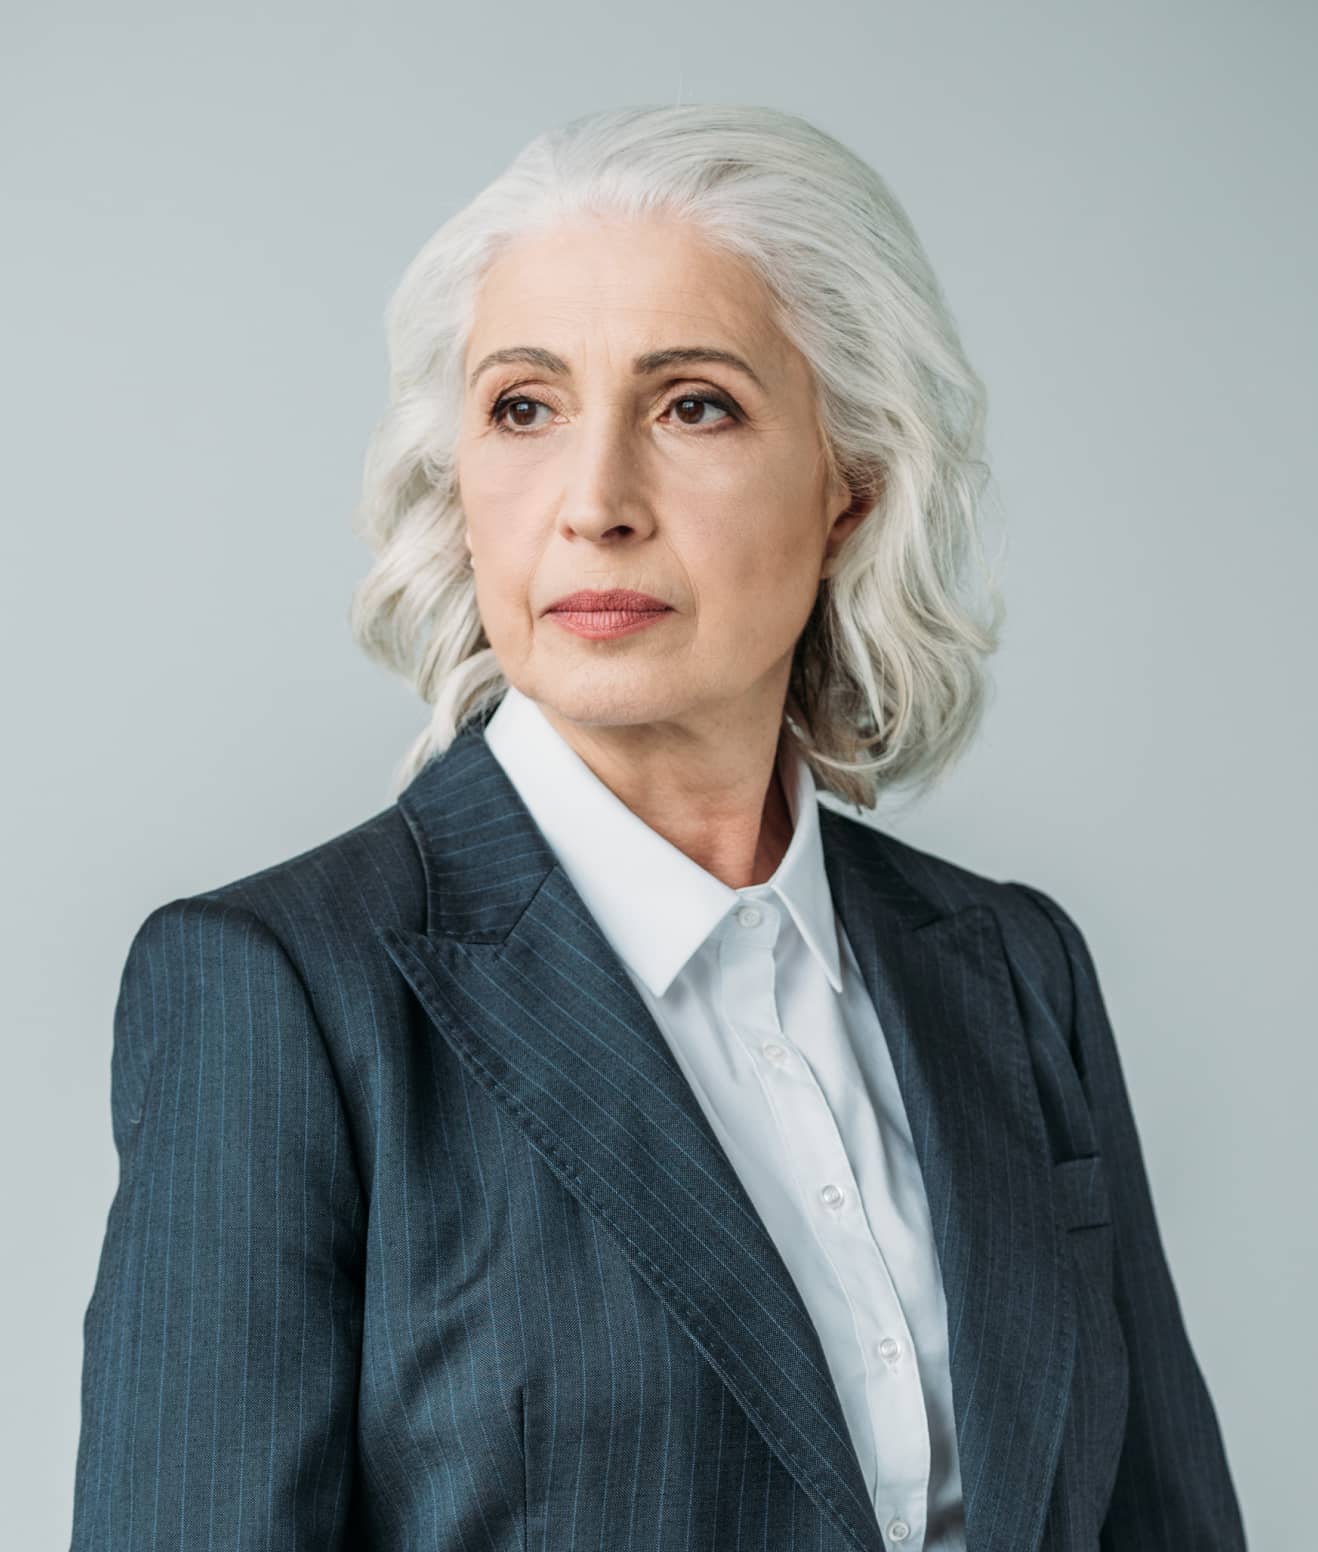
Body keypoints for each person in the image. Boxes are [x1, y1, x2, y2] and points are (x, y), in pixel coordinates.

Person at [70, 103, 1246, 1551]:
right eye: (523, 408)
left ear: (850, 487)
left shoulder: (1012, 966)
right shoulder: (282, 992)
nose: (596, 504)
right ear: (460, 481)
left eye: (694, 405)